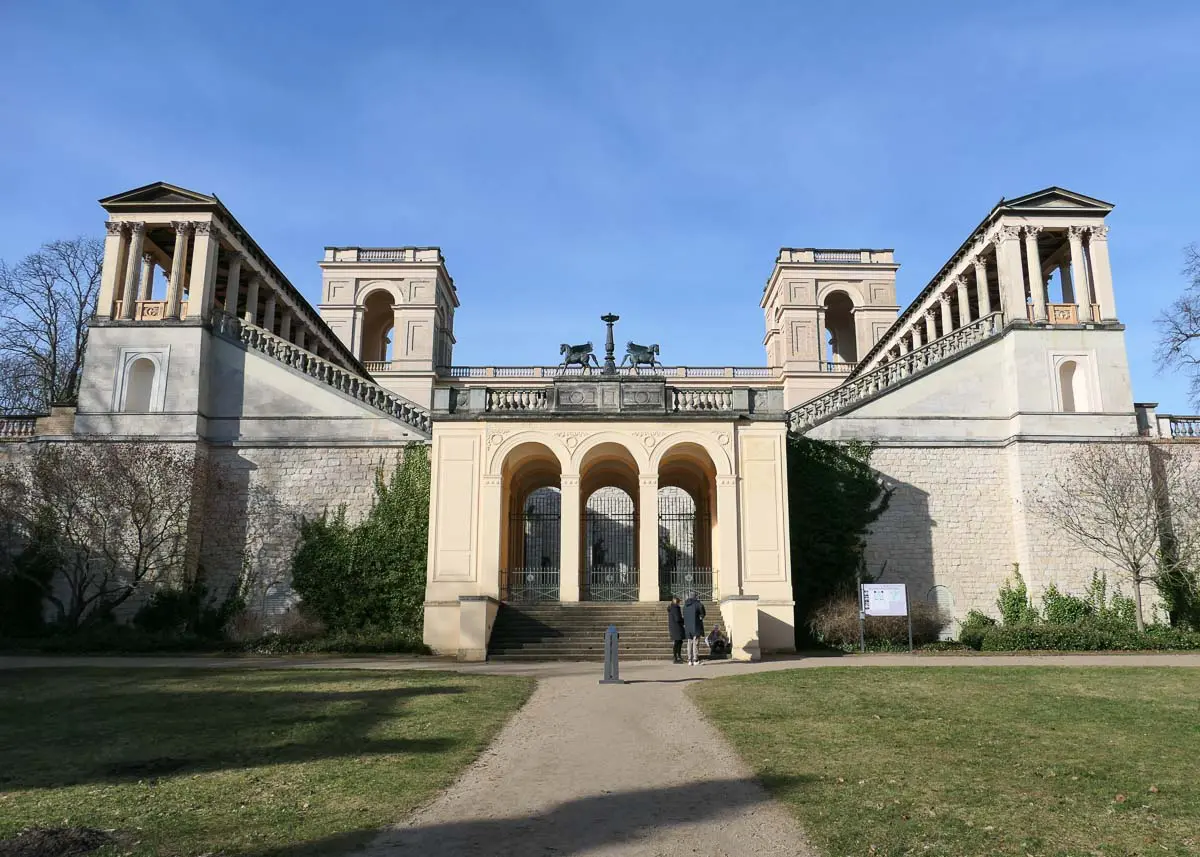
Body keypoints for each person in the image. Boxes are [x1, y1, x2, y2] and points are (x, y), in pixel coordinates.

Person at [682, 593, 706, 666]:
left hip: (688, 627)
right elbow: (703, 613)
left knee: (689, 643)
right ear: (696, 597)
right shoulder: (698, 604)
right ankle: (695, 659)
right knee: (696, 643)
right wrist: (701, 617)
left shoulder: (685, 605)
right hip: (696, 626)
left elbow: (684, 615)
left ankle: (689, 659)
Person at [667, 596, 685, 664]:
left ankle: (678, 656)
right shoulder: (675, 608)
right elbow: (677, 618)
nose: (679, 603)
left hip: (674, 627)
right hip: (677, 628)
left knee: (679, 642)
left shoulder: (672, 608)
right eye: (679, 602)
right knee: (677, 642)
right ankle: (676, 657)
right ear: (676, 602)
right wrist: (683, 620)